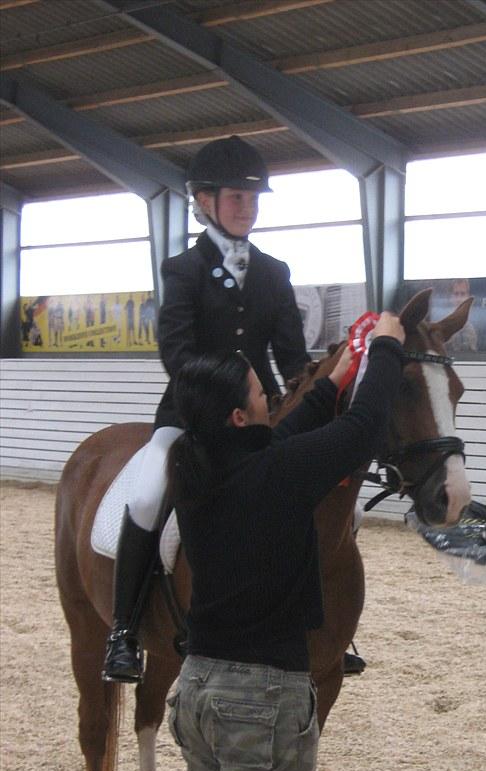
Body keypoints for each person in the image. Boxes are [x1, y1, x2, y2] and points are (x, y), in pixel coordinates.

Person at [162, 311, 406, 771]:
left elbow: (291, 429)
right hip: (259, 702)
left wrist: (338, 372)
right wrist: (385, 350)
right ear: (241, 418)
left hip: (198, 693)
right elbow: (361, 432)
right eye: (259, 392)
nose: (271, 396)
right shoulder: (279, 474)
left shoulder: (202, 465)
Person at [102, 135, 310, 683]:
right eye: (236, 197)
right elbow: (175, 350)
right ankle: (122, 632)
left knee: (323, 498)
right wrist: (224, 396)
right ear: (204, 201)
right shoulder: (183, 270)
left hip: (262, 415)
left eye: (253, 198)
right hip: (191, 413)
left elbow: (290, 354)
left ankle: (324, 624)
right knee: (148, 494)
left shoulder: (274, 271)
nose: (247, 207)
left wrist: (308, 390)